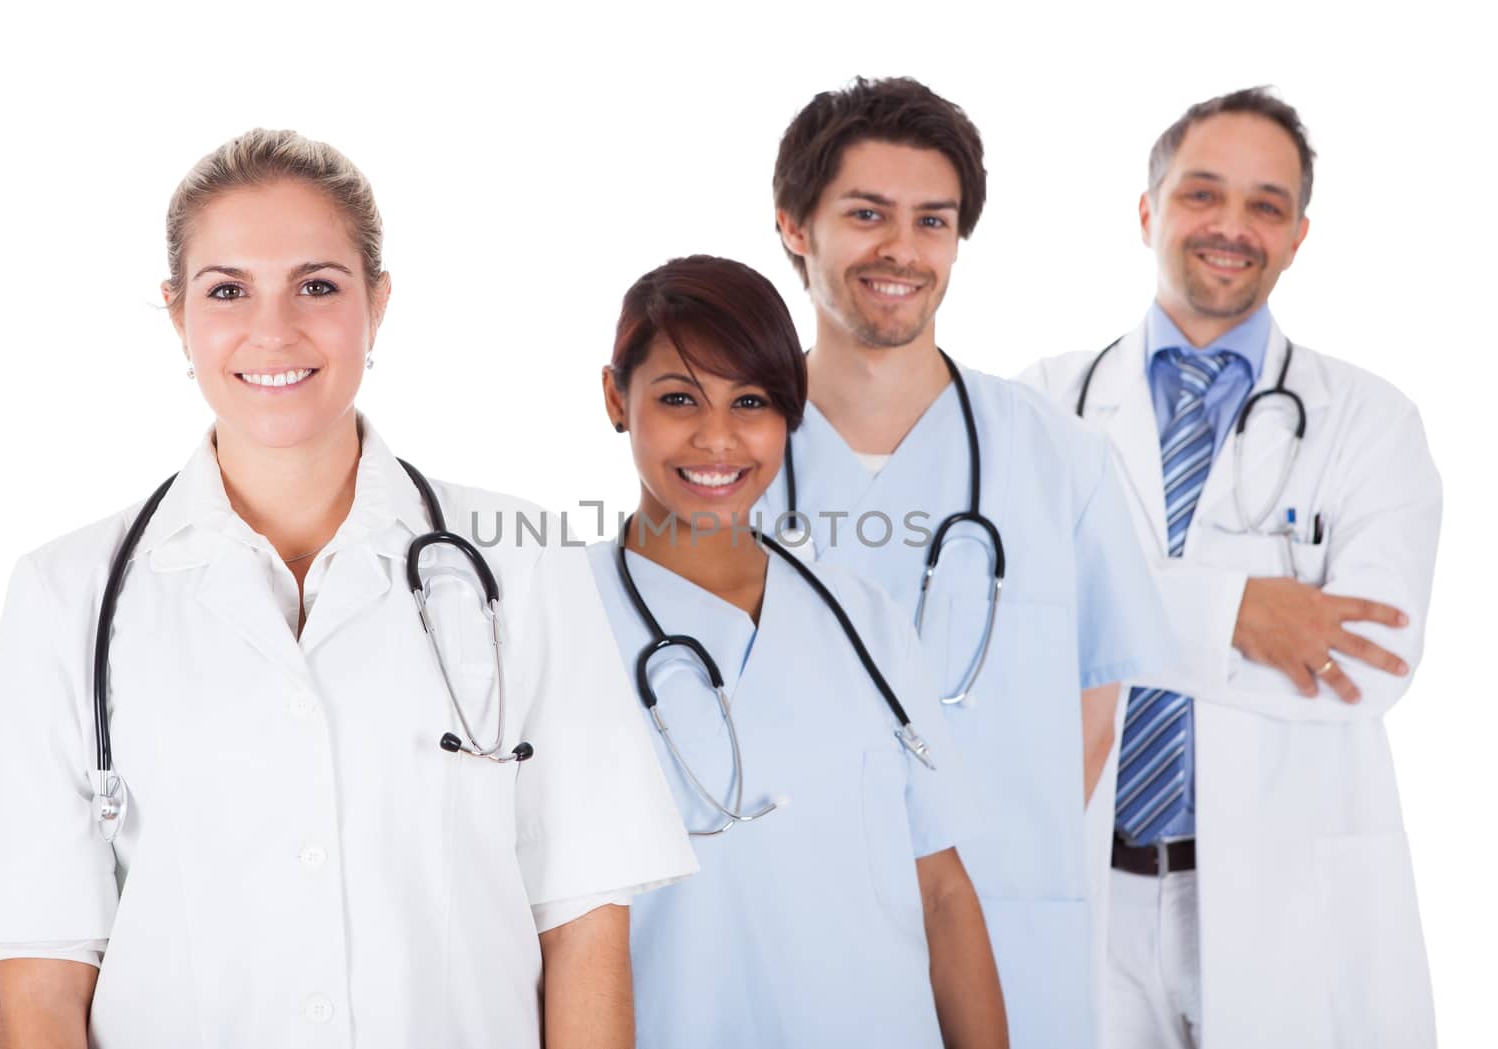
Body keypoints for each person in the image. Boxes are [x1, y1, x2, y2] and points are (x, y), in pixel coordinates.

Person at [0, 129, 696, 1049]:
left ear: (377, 304)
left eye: (318, 285)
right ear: (177, 312)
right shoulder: (66, 596)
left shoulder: (524, 563)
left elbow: (583, 925)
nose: (274, 329)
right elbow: (41, 988)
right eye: (228, 290)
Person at [754, 77, 1173, 1049]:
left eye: (930, 221)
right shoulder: (722, 462)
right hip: (786, 938)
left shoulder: (1055, 456)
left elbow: (1093, 702)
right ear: (793, 226)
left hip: (1009, 932)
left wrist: (991, 848)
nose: (901, 249)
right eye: (865, 214)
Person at [1017, 88, 1441, 1048]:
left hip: (1284, 891)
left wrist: (1102, 611)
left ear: (1297, 236)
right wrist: (1239, 614)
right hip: (1090, 889)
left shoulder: (1371, 423)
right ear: (1148, 211)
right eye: (1203, 194)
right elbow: (1003, 626)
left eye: (1266, 205)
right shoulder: (1044, 404)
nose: (1232, 227)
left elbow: (1367, 658)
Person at [589, 254, 1008, 1049]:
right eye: (679, 398)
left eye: (751, 401)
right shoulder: (562, 616)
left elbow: (943, 891)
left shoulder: (862, 615)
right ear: (617, 397)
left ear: (790, 409)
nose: (718, 438)